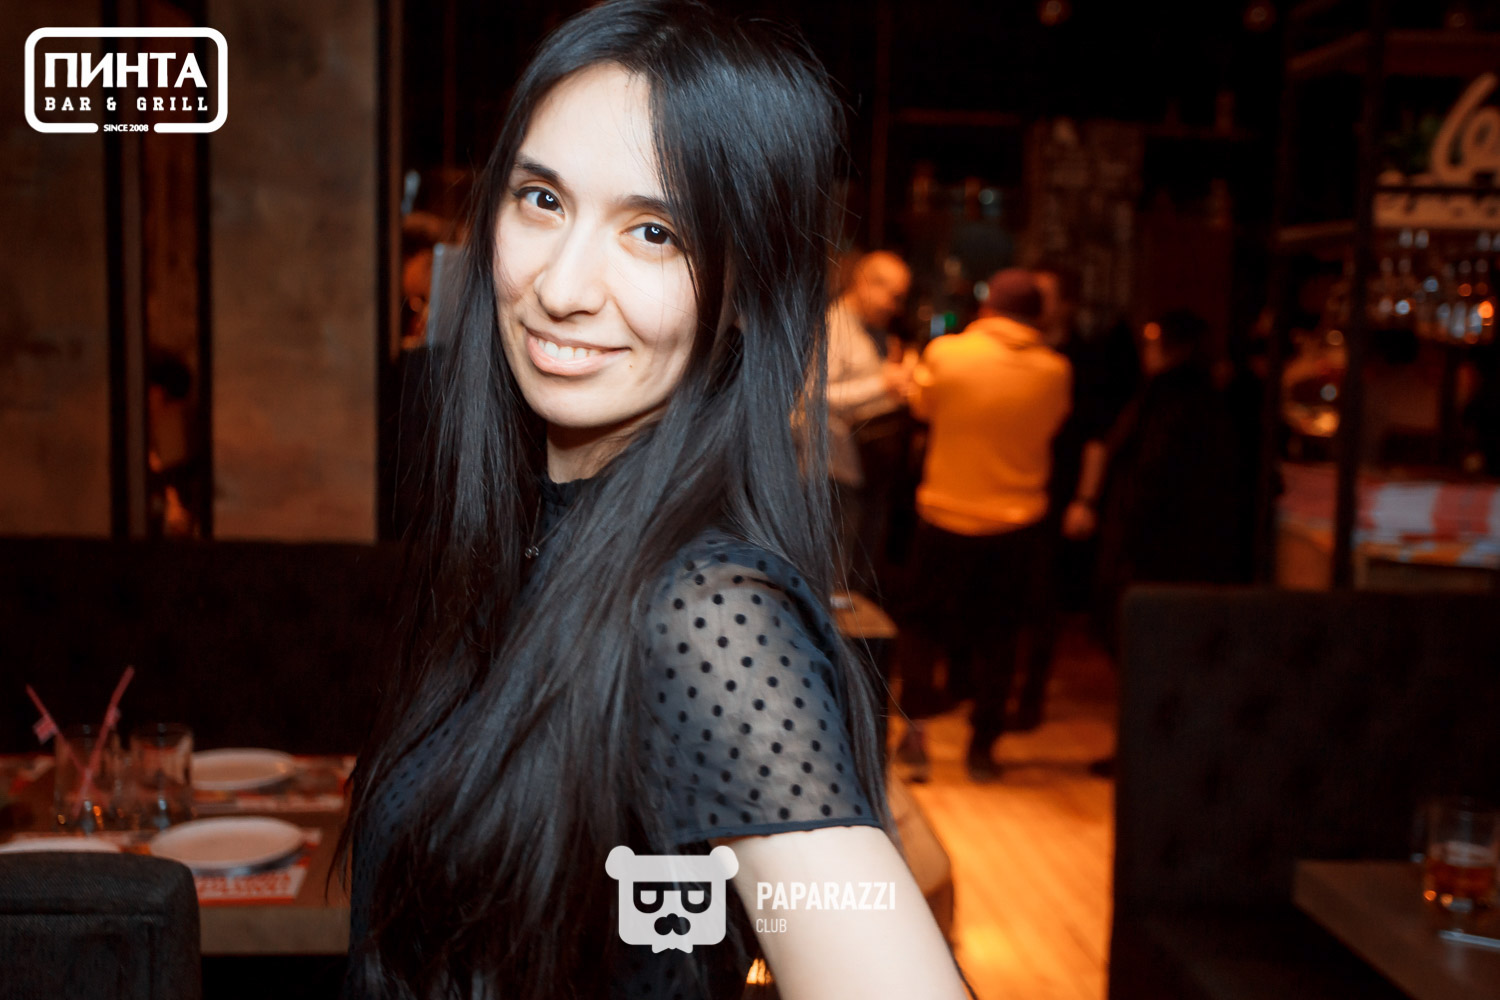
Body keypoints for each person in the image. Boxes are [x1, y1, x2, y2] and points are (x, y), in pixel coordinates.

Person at [338, 4, 971, 999]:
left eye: (653, 231)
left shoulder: (708, 611)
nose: (562, 285)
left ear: (746, 288)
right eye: (541, 199)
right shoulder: (540, 535)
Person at [892, 269, 1073, 782]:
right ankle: (982, 748)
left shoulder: (948, 354)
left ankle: (916, 734)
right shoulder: (1056, 370)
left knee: (921, 627)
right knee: (1000, 635)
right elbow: (1054, 425)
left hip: (944, 512)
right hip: (1016, 522)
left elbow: (922, 407)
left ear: (987, 308)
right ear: (1037, 316)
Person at [826, 250, 914, 595]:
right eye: (894, 296)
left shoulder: (871, 330)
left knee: (857, 564)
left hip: (865, 464)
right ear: (864, 284)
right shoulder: (834, 326)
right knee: (837, 569)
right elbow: (817, 397)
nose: (895, 306)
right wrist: (884, 384)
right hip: (835, 468)